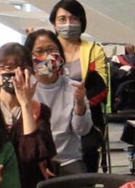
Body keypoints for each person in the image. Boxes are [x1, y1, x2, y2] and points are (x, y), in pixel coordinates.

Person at [0, 43, 55, 188]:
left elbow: (32, 154)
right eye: (8, 68)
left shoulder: (39, 110)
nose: (16, 74)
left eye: (22, 68)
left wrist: (25, 104)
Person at [50, 0, 110, 171]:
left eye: (74, 18)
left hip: (86, 112)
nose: (68, 24)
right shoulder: (47, 50)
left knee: (88, 147)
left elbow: (101, 86)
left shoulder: (94, 50)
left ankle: (86, 184)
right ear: (54, 23)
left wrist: (78, 104)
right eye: (62, 19)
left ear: (81, 22)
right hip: (50, 112)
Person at [25, 28, 92, 177]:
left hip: (69, 160)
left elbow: (82, 130)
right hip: (36, 160)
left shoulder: (74, 87)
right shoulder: (25, 89)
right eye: (39, 51)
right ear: (29, 57)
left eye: (51, 50)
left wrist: (79, 103)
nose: (46, 56)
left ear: (60, 53)